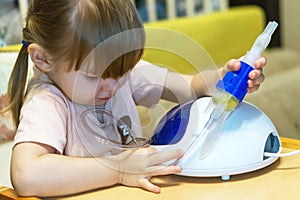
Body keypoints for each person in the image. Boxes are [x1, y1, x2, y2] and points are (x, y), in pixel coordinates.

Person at [2, 0, 266, 197]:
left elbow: (189, 88)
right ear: (43, 59)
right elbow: (27, 174)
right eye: (94, 76)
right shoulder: (47, 102)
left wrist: (223, 78)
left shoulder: (120, 75)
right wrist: (118, 169)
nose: (112, 86)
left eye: (122, 71)